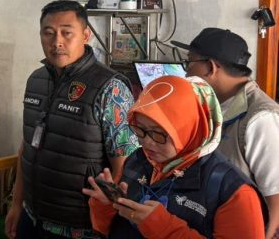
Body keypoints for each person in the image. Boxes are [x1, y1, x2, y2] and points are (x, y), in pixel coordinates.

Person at [5, 0, 139, 239]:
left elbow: (126, 166)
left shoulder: (111, 88)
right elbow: (27, 146)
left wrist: (108, 218)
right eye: (48, 33)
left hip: (79, 228)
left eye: (66, 33)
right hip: (32, 217)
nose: (57, 42)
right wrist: (17, 204)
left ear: (85, 35)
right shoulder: (36, 80)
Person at [84, 75, 266, 237]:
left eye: (158, 133)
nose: (146, 142)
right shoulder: (137, 161)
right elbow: (106, 229)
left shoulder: (232, 191)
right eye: (140, 129)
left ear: (190, 128)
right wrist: (105, 206)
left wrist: (163, 227)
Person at [173, 27, 279, 237]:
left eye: (189, 63)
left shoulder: (261, 118)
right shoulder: (214, 106)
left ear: (211, 67)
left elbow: (275, 201)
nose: (185, 73)